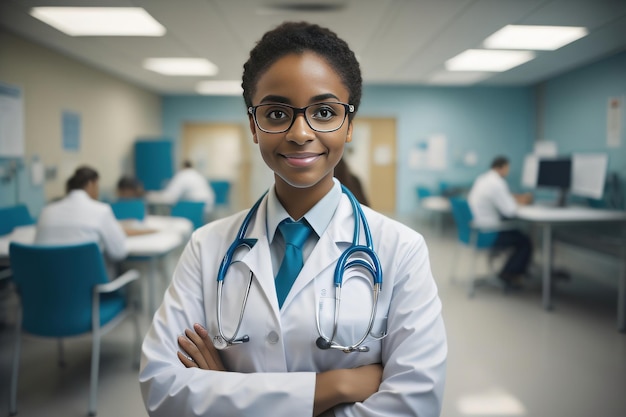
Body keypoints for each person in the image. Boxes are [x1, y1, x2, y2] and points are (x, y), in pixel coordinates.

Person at [139, 21, 447, 417]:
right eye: (277, 112)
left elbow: (414, 406)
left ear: (349, 124)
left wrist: (226, 389)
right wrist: (334, 386)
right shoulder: (206, 246)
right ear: (254, 125)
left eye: (323, 111)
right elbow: (162, 390)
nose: (300, 132)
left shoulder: (401, 250)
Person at [35, 166, 129, 275]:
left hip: (45, 287)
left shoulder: (46, 211)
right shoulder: (101, 210)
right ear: (91, 184)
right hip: (89, 287)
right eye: (97, 186)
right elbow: (119, 252)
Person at [467, 156, 533, 286]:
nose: (508, 172)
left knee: (517, 235)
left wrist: (512, 198)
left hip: (475, 231)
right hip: (490, 232)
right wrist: (521, 202)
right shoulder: (498, 183)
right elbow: (510, 211)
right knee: (525, 242)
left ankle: (511, 272)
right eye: (507, 168)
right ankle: (509, 274)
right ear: (501, 168)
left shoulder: (482, 179)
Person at [145, 160, 215, 215]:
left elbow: (169, 197)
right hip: (205, 209)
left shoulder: (183, 174)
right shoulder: (198, 175)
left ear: (182, 166)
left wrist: (151, 195)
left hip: (193, 209)